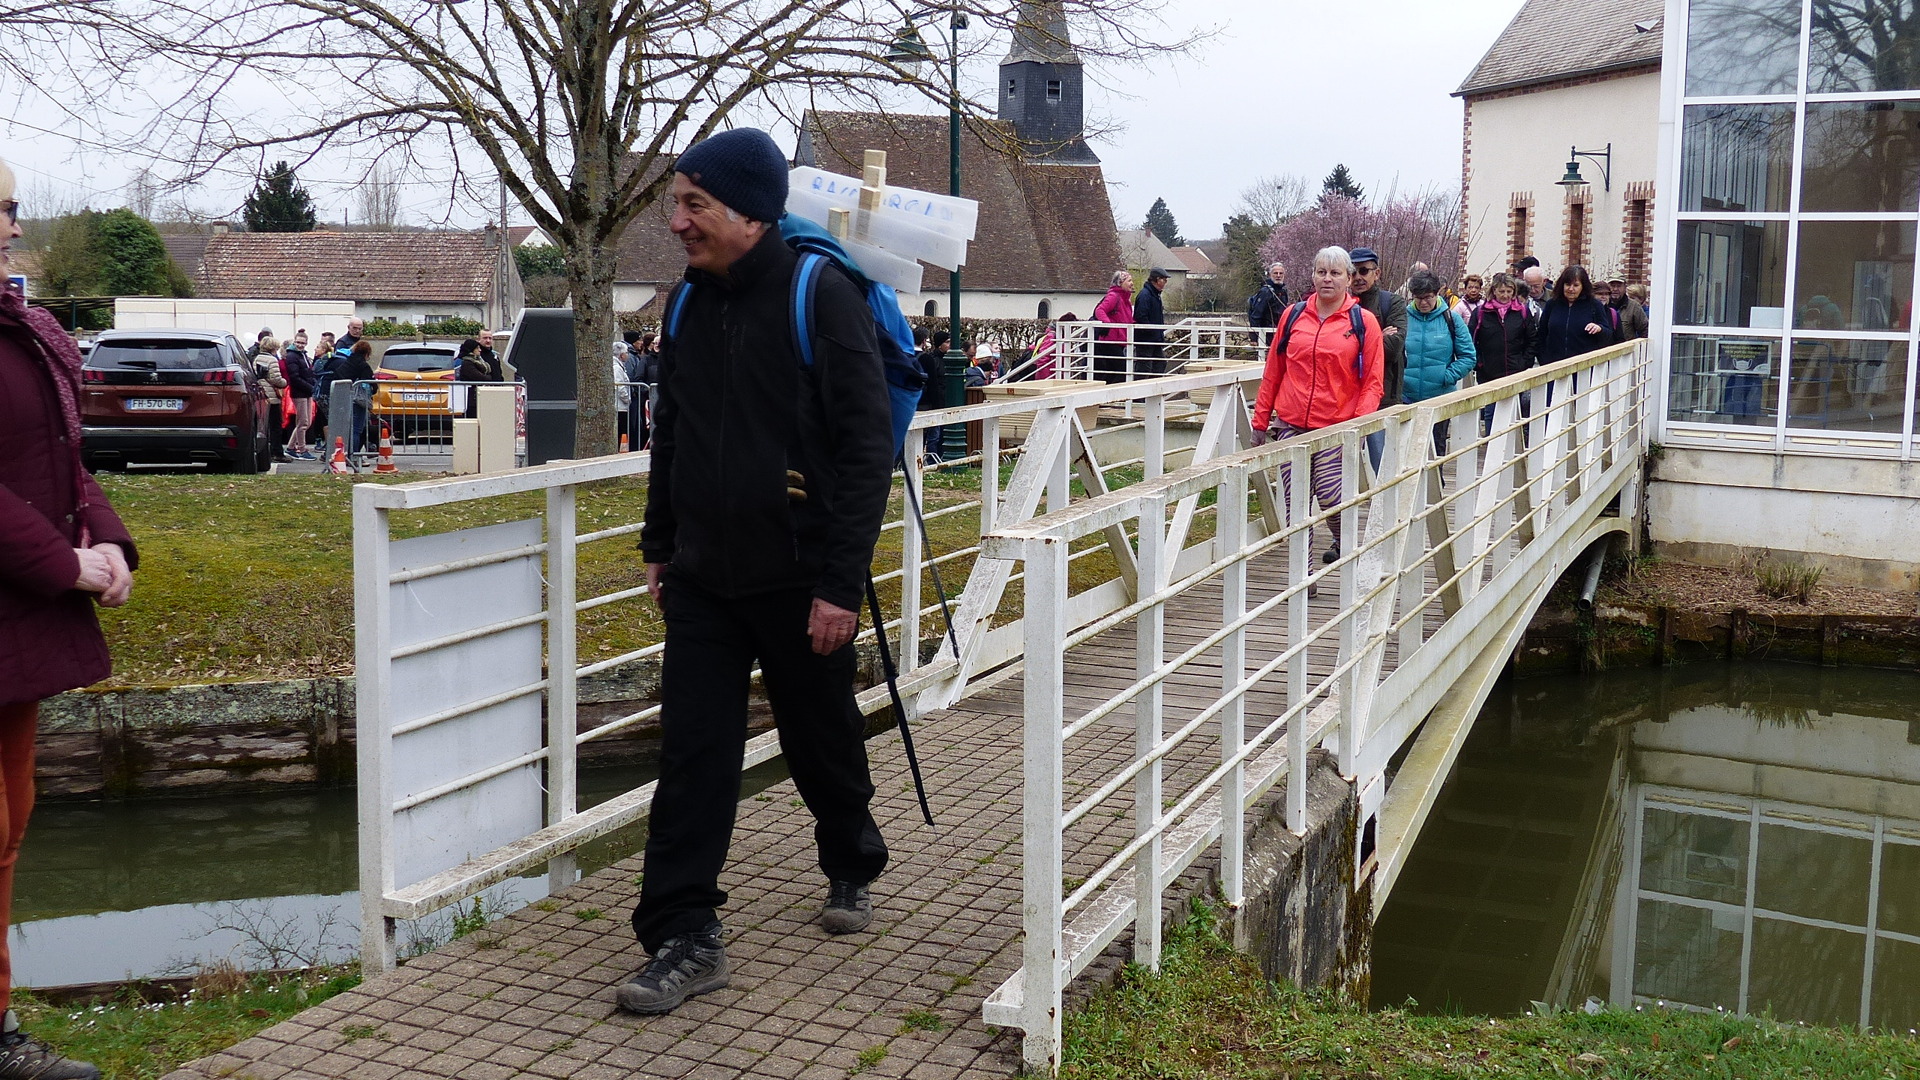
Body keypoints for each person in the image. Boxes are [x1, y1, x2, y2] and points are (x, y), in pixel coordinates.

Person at [623, 128, 892, 1017]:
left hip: (797, 574)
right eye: (677, 202)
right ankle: (683, 932)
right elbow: (674, 434)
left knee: (819, 733)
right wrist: (660, 543)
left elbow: (863, 455)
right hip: (705, 574)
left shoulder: (825, 299)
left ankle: (851, 855)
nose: (677, 222)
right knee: (695, 751)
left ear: (747, 211)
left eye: (693, 204)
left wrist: (839, 584)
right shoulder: (688, 305)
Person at [0, 155, 131, 1080]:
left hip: (14, 619)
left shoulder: (25, 329)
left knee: (9, 819)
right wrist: (62, 566)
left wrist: (109, 542)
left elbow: (59, 455)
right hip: (19, 592)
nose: (10, 229)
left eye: (11, 209)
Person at [1249, 245, 1385, 567]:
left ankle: (1342, 538)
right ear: (1312, 275)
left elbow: (1373, 383)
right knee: (1295, 502)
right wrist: (1260, 420)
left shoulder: (1363, 322)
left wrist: (1357, 424)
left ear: (1349, 279)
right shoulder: (1293, 315)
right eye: (1321, 272)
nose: (1327, 279)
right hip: (1291, 424)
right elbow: (1273, 370)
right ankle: (1303, 575)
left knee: (1329, 495)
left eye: (1336, 273)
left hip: (1337, 425)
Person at [1401, 270, 1478, 453]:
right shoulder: (1403, 318)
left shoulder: (1451, 319)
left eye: (1427, 297)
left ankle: (1438, 482)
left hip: (1439, 397)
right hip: (1405, 397)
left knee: (1436, 452)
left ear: (1438, 293)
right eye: (1418, 298)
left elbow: (1469, 356)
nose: (1423, 302)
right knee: (1404, 452)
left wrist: (1446, 376)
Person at [1348, 246, 1407, 472]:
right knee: (1341, 467)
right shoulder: (1340, 304)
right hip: (1344, 397)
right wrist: (1376, 336)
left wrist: (1354, 342)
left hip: (1384, 394)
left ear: (1377, 273)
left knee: (1383, 464)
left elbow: (1393, 348)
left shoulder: (1392, 303)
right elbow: (1334, 346)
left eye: (1364, 271)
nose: (1358, 278)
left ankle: (1387, 507)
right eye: (1352, 272)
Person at [1469, 273, 1537, 434]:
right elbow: (1471, 340)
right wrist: (1479, 363)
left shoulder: (1523, 312)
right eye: (1502, 291)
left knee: (1515, 410)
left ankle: (1512, 444)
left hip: (1515, 369)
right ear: (1494, 291)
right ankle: (1492, 442)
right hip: (1489, 371)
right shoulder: (1480, 313)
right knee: (1491, 411)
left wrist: (1525, 362)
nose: (1505, 295)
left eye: (1509, 291)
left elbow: (1532, 339)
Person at [1536, 265, 1614, 367]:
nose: (1571, 289)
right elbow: (1542, 334)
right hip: (1554, 367)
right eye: (1568, 284)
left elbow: (1608, 334)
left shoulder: (1594, 305)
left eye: (1576, 285)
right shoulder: (1552, 304)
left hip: (1583, 368)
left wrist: (1600, 329)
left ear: (1583, 286)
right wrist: (1544, 360)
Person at [1092, 270, 1134, 383]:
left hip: (1118, 341)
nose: (1132, 283)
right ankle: (1108, 395)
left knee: (1114, 371)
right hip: (1110, 341)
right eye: (1129, 280)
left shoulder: (1125, 299)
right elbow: (1100, 310)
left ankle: (1104, 394)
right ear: (1120, 282)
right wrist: (1108, 324)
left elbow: (1126, 318)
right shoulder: (1114, 296)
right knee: (1122, 370)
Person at [283, 332, 318, 460]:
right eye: (298, 342)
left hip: (306, 392)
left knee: (304, 422)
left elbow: (307, 373)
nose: (300, 345)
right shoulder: (292, 356)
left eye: (302, 343)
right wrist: (310, 387)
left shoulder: (302, 355)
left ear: (306, 343)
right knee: (303, 422)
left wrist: (312, 385)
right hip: (299, 393)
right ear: (294, 341)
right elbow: (294, 377)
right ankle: (302, 450)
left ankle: (291, 447)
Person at [338, 340, 376, 452]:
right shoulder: (364, 366)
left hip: (342, 397)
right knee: (356, 429)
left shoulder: (347, 362)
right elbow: (372, 385)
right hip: (357, 400)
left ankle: (343, 454)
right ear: (367, 353)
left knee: (345, 429)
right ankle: (353, 455)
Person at [1132, 268, 1169, 376]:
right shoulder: (1146, 295)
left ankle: (1152, 389)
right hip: (1146, 339)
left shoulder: (1152, 294)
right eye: (1164, 280)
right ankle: (1142, 391)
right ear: (1157, 280)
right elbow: (1141, 316)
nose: (1165, 283)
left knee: (1159, 364)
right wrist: (1152, 331)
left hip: (1152, 338)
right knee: (1144, 367)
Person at [1247, 262, 1291, 330]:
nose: (1278, 276)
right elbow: (1256, 315)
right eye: (1275, 273)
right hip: (1266, 332)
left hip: (1278, 331)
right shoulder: (1265, 292)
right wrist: (1254, 337)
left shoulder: (1283, 291)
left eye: (1281, 273)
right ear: (1270, 275)